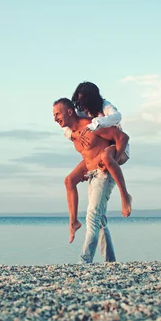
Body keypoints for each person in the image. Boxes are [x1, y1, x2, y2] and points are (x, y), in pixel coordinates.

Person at [53, 98, 129, 264]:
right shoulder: (72, 132)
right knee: (99, 220)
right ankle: (110, 262)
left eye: (58, 114)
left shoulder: (92, 126)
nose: (55, 118)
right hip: (92, 174)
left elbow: (121, 137)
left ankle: (84, 261)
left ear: (70, 112)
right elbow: (86, 151)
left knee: (93, 217)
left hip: (103, 174)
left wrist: (111, 159)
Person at [62, 82, 132, 243]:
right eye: (78, 102)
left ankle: (125, 196)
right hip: (102, 151)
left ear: (92, 99)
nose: (81, 106)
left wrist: (95, 124)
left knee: (107, 158)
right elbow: (69, 124)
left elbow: (118, 121)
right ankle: (73, 222)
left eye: (83, 102)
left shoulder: (105, 107)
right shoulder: (81, 112)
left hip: (118, 146)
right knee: (69, 180)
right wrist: (73, 135)